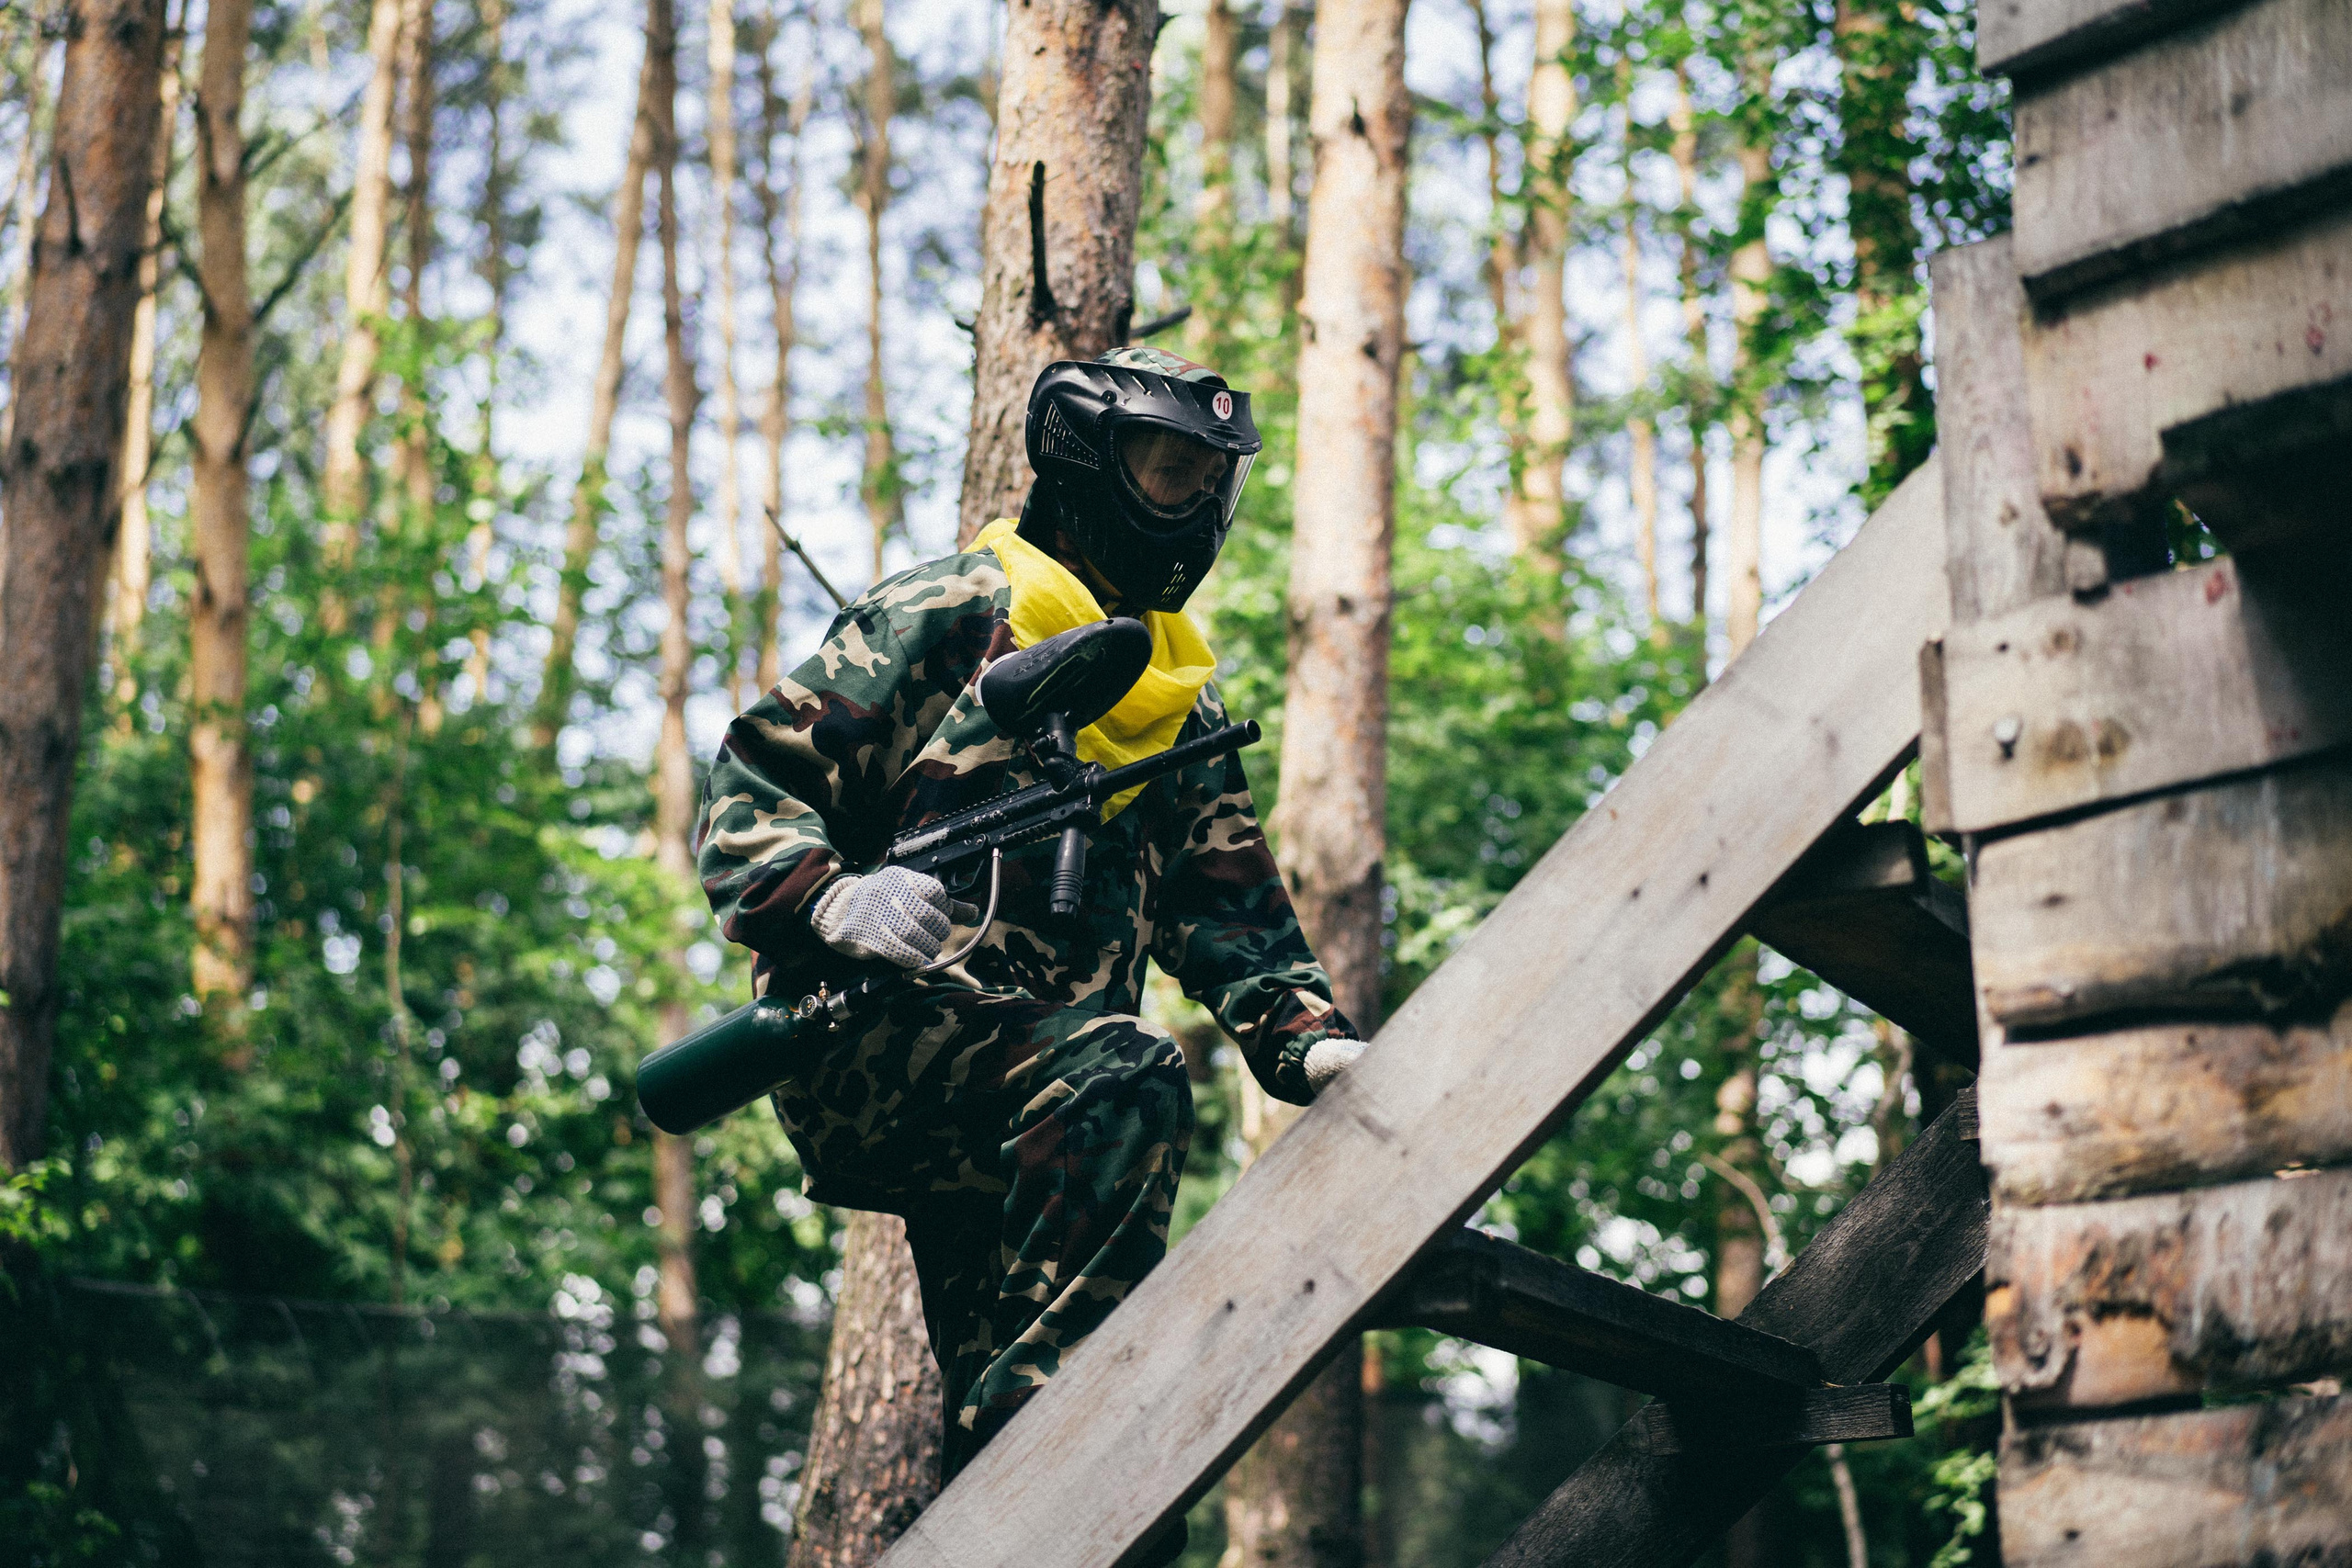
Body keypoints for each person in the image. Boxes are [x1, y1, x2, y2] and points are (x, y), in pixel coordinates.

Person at [693, 345, 1366, 1517]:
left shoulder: (1176, 702)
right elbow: (755, 779)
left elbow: (1231, 907)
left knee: (1002, 1386)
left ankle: (1025, 1500)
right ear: (1081, 460)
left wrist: (1308, 1038)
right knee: (1129, 1078)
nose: (1193, 503)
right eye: (1167, 470)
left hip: (1031, 1110)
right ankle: (1074, 1454)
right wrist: (828, 900)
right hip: (878, 1041)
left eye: (1211, 479)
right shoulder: (952, 611)